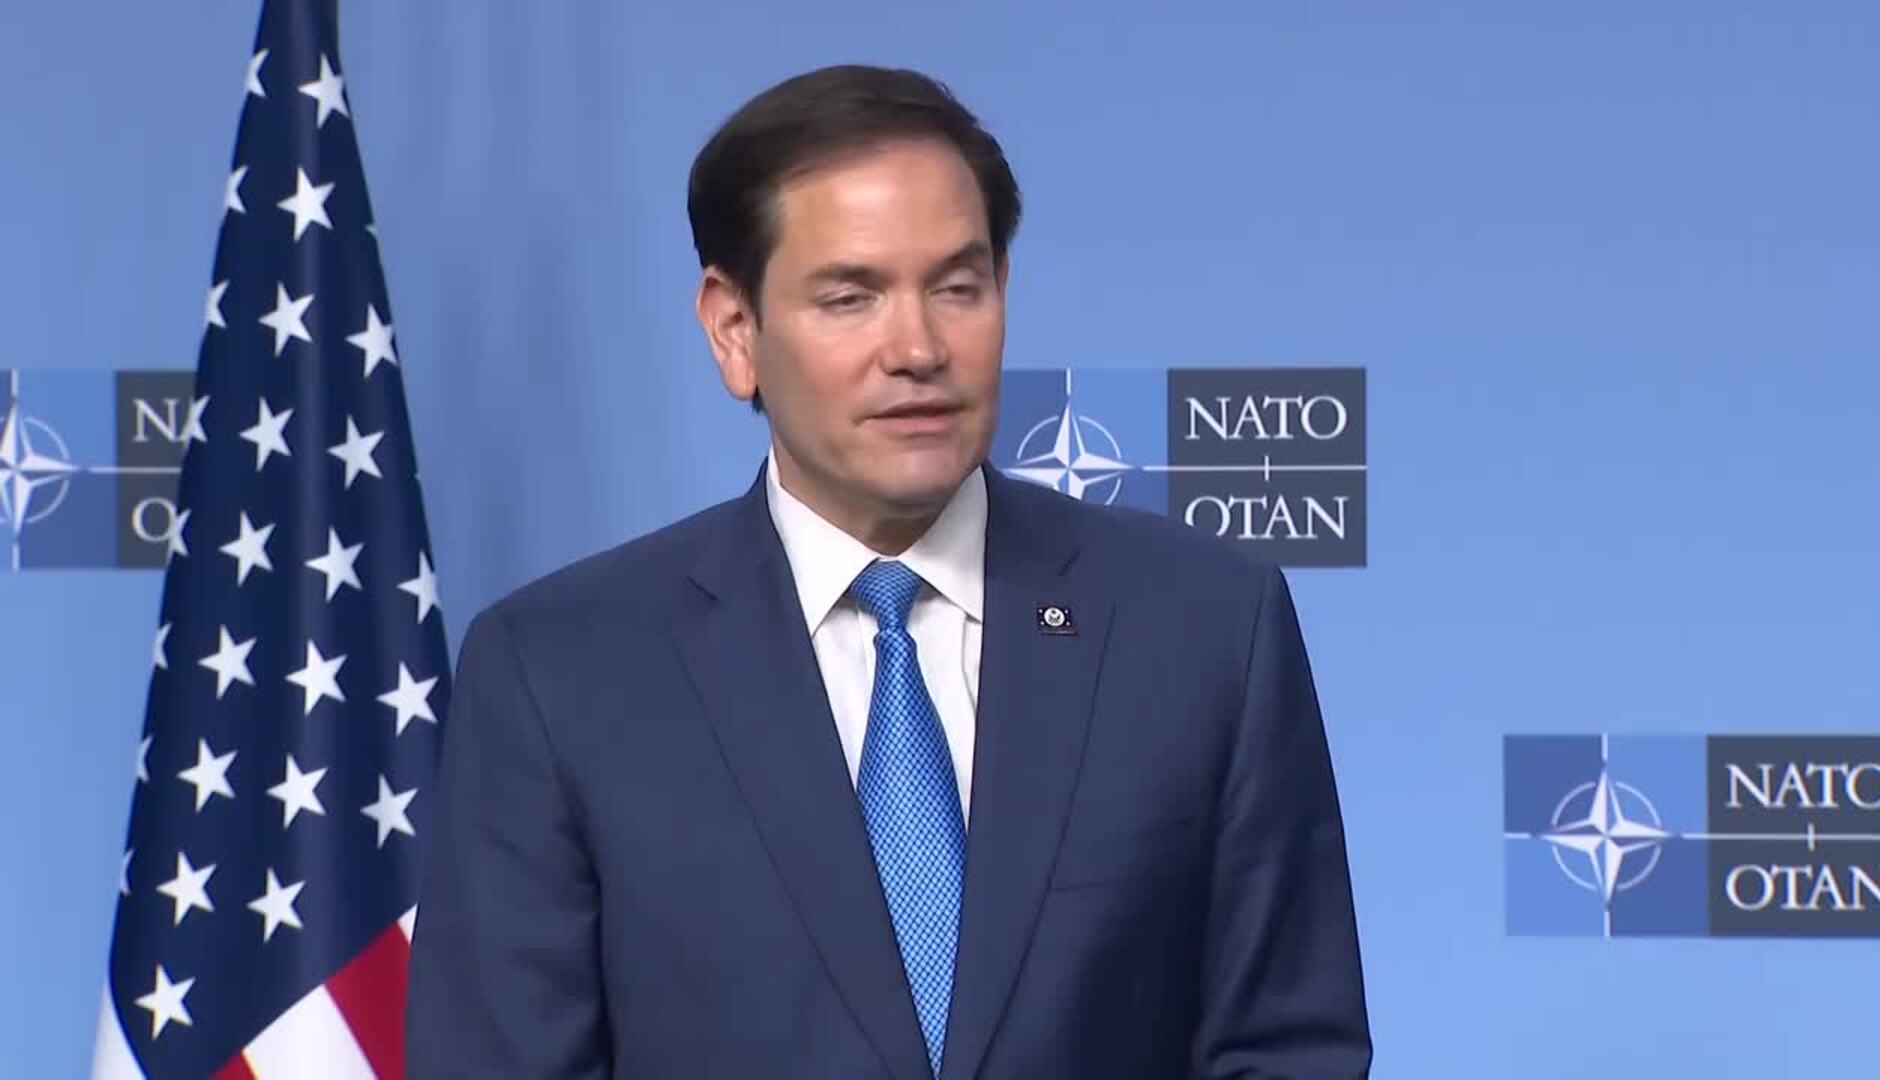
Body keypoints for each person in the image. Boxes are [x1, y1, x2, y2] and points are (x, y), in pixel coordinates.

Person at [406, 64, 1371, 1079]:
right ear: (735, 330)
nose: (917, 348)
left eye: (957, 287)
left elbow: (1288, 1050)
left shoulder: (1203, 628)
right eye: (850, 298)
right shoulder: (559, 672)